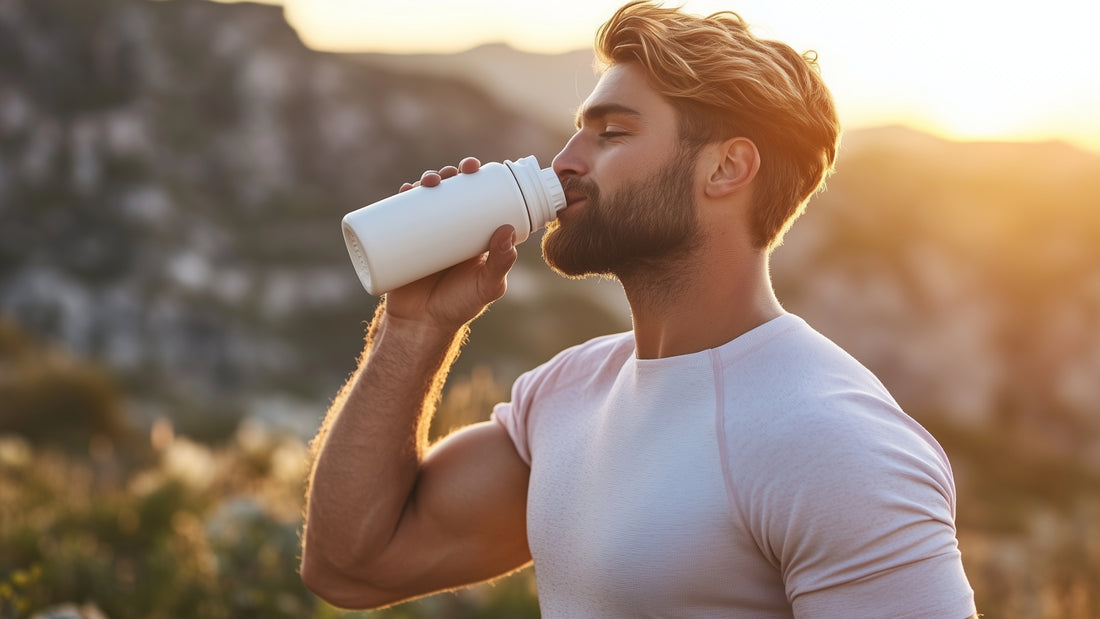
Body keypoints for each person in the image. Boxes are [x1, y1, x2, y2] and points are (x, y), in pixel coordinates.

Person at [300, 1, 978, 616]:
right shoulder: (564, 395)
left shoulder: (833, 443)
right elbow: (351, 566)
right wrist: (416, 327)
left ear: (725, 169)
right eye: (577, 132)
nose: (564, 161)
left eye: (612, 133)